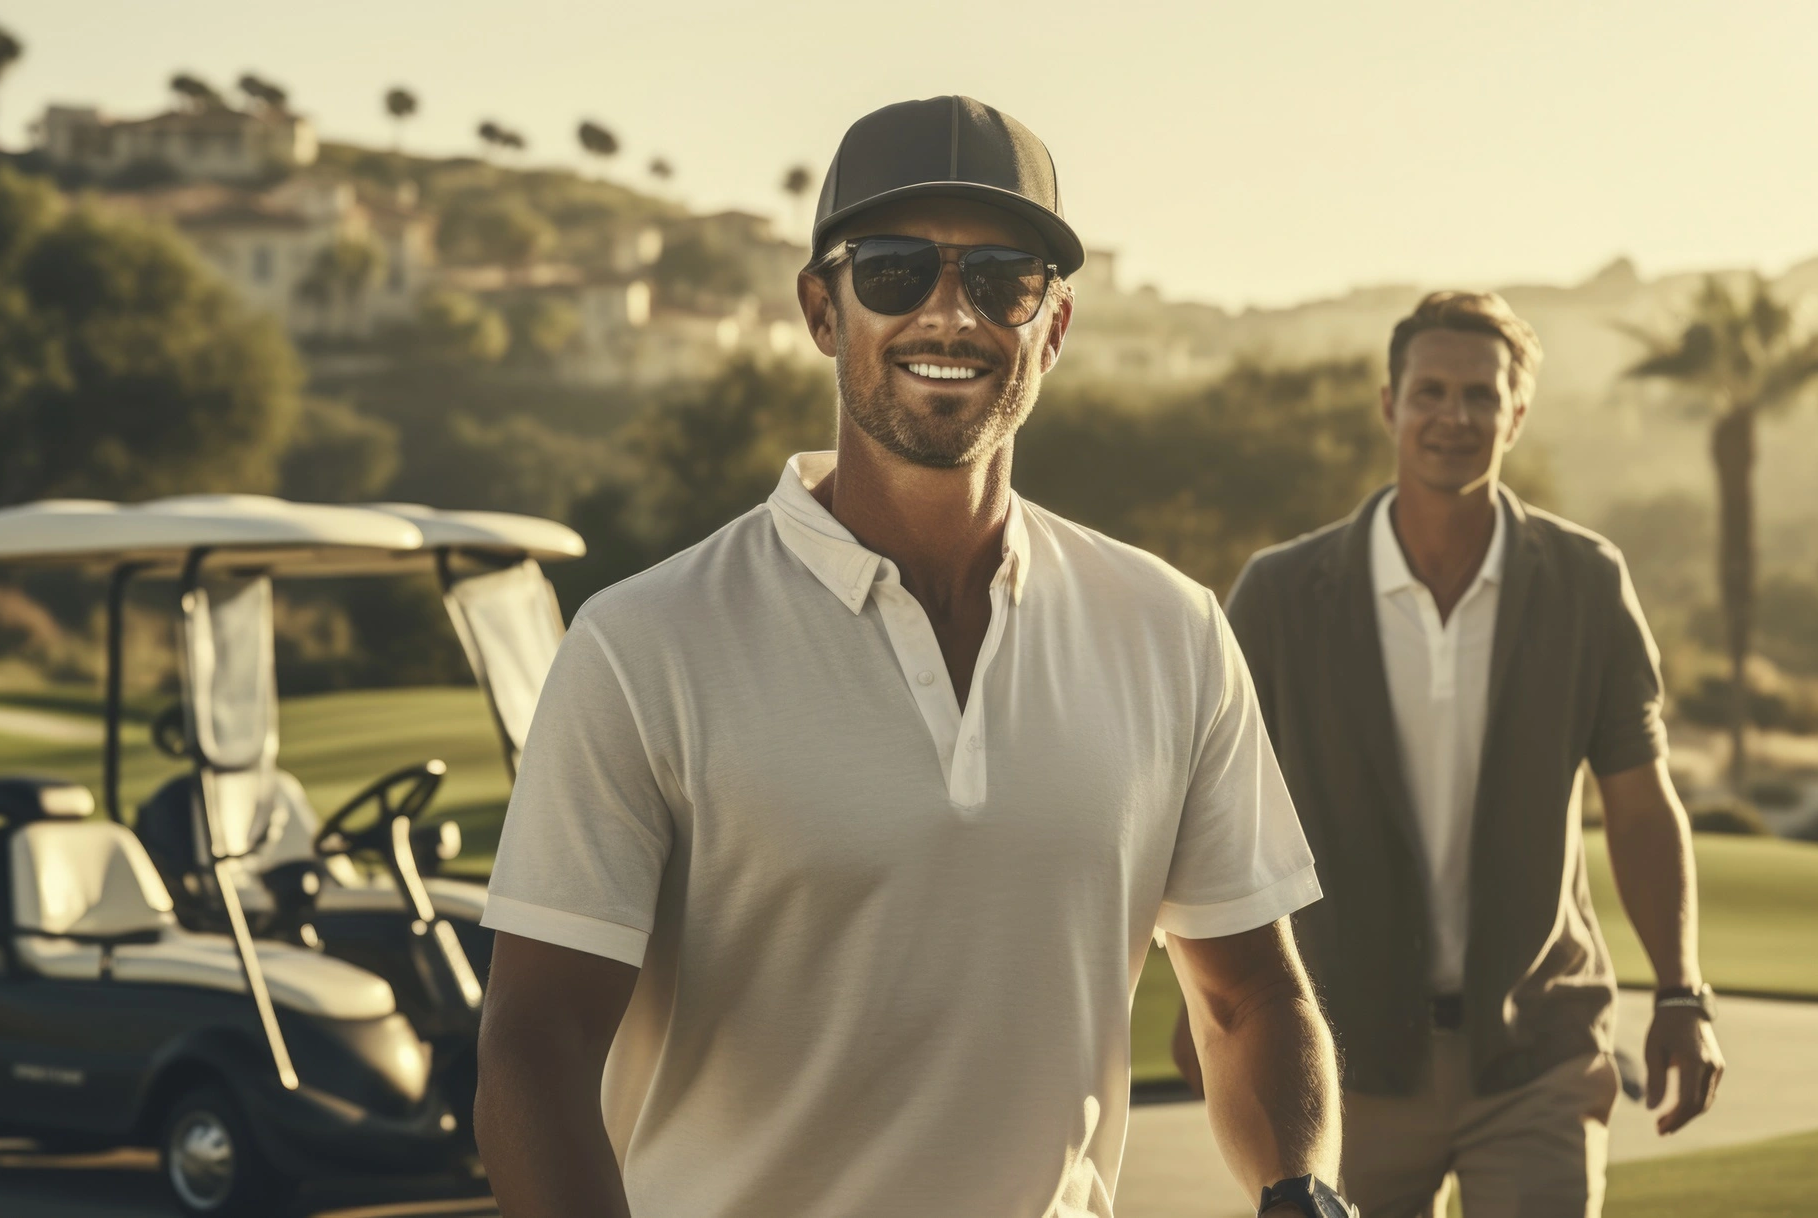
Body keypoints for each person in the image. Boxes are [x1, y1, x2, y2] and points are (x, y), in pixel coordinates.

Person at [473, 95, 1356, 1218]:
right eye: (894, 271)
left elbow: (1245, 1005)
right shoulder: (642, 644)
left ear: (1054, 325)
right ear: (819, 309)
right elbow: (534, 1049)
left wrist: (1299, 1189)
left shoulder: (1169, 629)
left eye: (1002, 280)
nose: (951, 315)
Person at [1172, 291, 1726, 1217]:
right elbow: (1213, 807)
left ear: (1517, 411)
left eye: (1480, 396)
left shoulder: (1588, 583)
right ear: (1389, 404)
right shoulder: (1279, 594)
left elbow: (1640, 802)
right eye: (1429, 392)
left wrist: (1682, 995)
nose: (1453, 417)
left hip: (1539, 1053)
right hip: (1339, 1059)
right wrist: (1208, 1001)